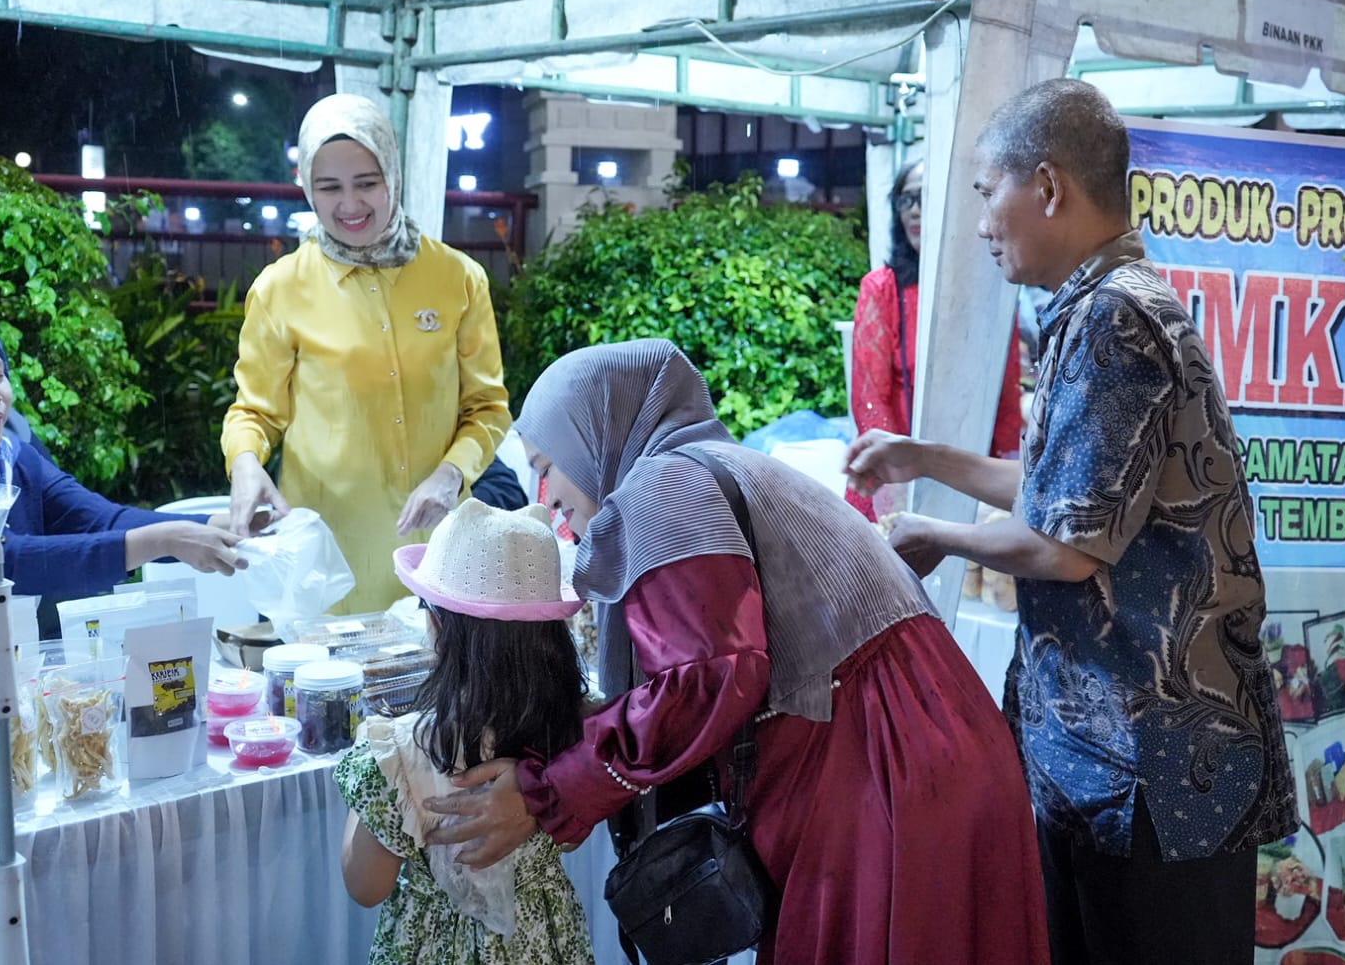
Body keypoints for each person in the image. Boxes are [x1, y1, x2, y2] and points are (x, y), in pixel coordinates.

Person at [846, 79, 1298, 965]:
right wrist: (923, 456)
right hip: (1121, 765)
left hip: (1159, 768)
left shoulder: (1114, 315)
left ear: (1048, 188)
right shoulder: (1100, 302)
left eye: (985, 193)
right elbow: (1067, 490)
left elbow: (1068, 546)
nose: (979, 223)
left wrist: (933, 536)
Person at [419, 339, 1051, 965]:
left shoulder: (666, 484)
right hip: (915, 739)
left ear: (594, 436)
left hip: (882, 758)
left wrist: (548, 789)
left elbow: (708, 678)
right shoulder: (701, 467)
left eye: (547, 462)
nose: (543, 489)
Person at [222, 93, 510, 613]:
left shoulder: (458, 278)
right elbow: (254, 413)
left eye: (368, 183)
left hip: (442, 556)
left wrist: (451, 476)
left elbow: (487, 409)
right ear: (307, 189)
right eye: (329, 187)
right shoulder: (280, 288)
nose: (350, 205)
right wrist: (245, 463)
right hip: (328, 566)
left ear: (394, 177)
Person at [0, 313, 245, 638]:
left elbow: (100, 518)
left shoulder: (9, 458)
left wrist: (227, 525)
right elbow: (0, 560)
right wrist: (164, 540)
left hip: (19, 663)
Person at [333, 498, 592, 964]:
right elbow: (572, 837)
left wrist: (371, 790)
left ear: (437, 626)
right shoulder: (577, 733)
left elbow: (366, 885)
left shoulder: (402, 751)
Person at [846, 158, 1023, 520]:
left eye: (925, 198)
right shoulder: (883, 288)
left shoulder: (989, 290)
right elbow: (869, 397)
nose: (914, 211)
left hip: (972, 473)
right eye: (906, 200)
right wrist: (893, 469)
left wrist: (1005, 463)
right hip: (897, 477)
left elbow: (1004, 390)